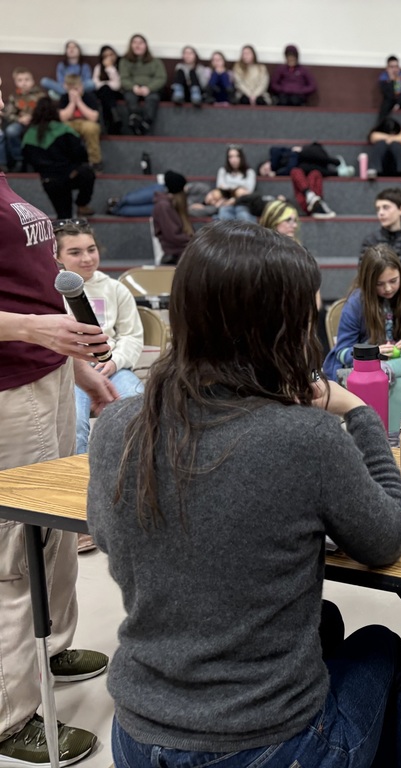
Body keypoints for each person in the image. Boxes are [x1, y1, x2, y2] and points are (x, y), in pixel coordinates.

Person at [87, 221, 401, 768]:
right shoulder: (303, 438)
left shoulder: (120, 423)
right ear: (278, 328)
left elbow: (108, 534)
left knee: (325, 621)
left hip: (138, 734)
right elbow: (388, 539)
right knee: (380, 644)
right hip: (266, 745)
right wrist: (359, 412)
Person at [0, 103, 116, 762]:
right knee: (13, 553)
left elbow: (39, 287)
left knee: (58, 525)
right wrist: (32, 330)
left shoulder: (8, 182)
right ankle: (12, 713)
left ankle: (55, 641)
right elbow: (30, 311)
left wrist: (73, 363)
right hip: (8, 388)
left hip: (45, 376)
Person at [325, 244, 401, 434]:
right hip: (365, 368)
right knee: (398, 382)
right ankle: (389, 439)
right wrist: (373, 353)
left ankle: (387, 371)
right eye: (379, 284)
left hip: (396, 361)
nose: (388, 288)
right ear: (368, 282)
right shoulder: (356, 302)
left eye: (393, 281)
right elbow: (342, 352)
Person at [55, 221, 144, 455]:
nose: (87, 258)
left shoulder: (115, 289)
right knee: (74, 426)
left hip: (113, 368)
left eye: (91, 249)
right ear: (57, 256)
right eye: (75, 252)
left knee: (139, 413)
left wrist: (115, 361)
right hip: (71, 372)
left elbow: (132, 336)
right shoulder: (50, 290)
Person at [21, 97, 95, 218]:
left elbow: (28, 159)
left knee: (64, 217)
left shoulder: (28, 134)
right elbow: (81, 154)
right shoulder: (64, 130)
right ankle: (82, 204)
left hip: (49, 180)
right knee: (88, 173)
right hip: (70, 175)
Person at [118, 34, 165, 135]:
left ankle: (146, 122)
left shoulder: (156, 62)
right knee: (130, 97)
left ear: (146, 46)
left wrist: (149, 88)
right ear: (130, 45)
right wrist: (133, 87)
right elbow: (124, 78)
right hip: (132, 89)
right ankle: (134, 118)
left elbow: (161, 78)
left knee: (153, 98)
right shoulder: (124, 61)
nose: (137, 45)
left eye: (140, 43)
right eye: (134, 43)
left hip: (151, 89)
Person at [2, 67, 46, 172]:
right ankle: (19, 159)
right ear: (16, 82)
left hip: (36, 123)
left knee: (40, 132)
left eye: (27, 80)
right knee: (11, 131)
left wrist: (33, 118)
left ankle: (36, 161)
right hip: (20, 123)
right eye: (20, 80)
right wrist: (20, 119)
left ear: (33, 81)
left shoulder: (40, 95)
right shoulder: (14, 96)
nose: (24, 83)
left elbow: (46, 112)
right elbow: (8, 114)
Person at [58, 74, 102, 169]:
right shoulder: (64, 98)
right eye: (71, 89)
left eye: (76, 88)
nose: (74, 92)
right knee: (62, 129)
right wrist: (72, 103)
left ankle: (95, 161)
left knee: (91, 128)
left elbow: (94, 117)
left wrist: (79, 102)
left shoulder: (89, 97)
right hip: (70, 123)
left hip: (86, 122)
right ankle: (66, 161)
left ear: (81, 86)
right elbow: (62, 118)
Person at [152, 171, 193, 265]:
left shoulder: (172, 205)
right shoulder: (163, 206)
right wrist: (195, 242)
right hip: (175, 253)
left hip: (182, 250)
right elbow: (173, 235)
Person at [366, 115, 401, 179]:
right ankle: (373, 169)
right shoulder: (377, 132)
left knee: (395, 144)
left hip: (397, 166)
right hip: (382, 165)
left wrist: (391, 140)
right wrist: (389, 138)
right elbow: (373, 137)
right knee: (381, 143)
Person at [92, 46, 122, 134]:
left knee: (106, 92)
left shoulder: (120, 66)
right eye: (106, 56)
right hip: (102, 92)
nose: (109, 58)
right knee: (105, 90)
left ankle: (109, 123)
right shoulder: (98, 67)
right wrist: (107, 84)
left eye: (111, 54)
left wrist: (110, 68)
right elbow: (95, 84)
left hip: (116, 93)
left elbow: (117, 85)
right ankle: (114, 116)